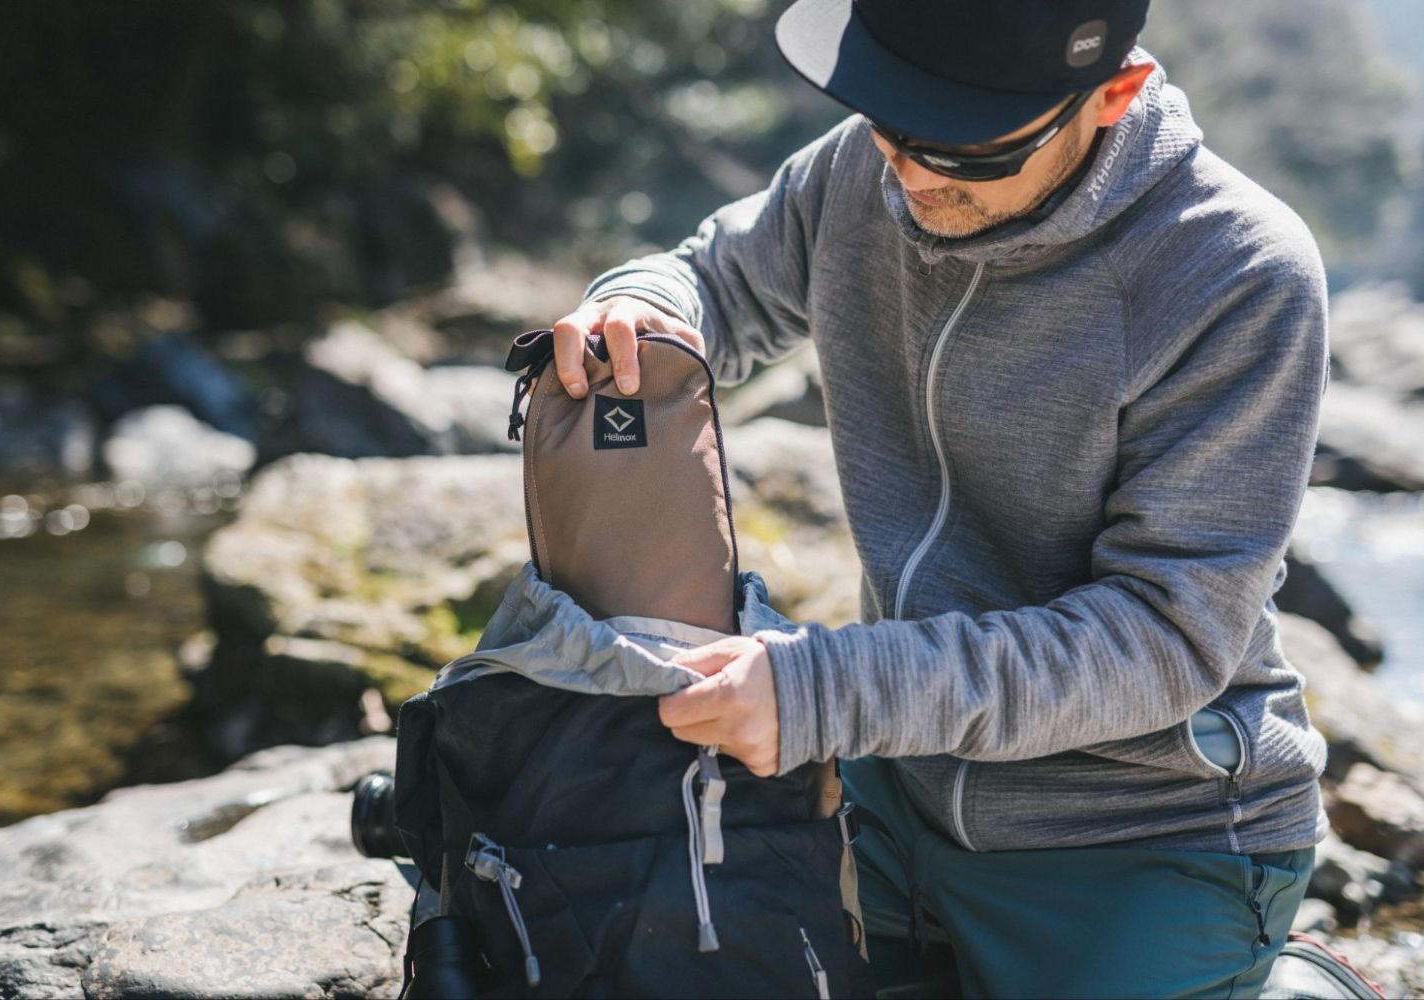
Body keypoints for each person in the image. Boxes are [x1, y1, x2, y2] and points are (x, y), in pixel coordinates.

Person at [550, 1, 1328, 996]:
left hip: (1140, 830)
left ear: (1113, 94)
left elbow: (1163, 639)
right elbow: (713, 279)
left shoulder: (1237, 271)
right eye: (893, 126)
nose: (911, 176)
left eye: (967, 154)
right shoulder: (865, 169)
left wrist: (819, 691)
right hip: (898, 777)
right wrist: (643, 306)